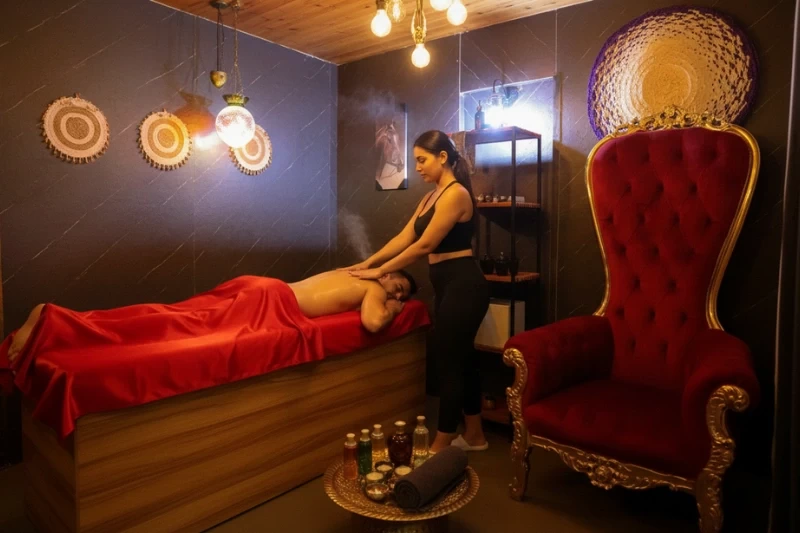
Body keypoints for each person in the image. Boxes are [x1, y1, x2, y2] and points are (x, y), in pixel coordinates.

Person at [344, 130, 490, 454]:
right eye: (415, 161)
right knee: (462, 358)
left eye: (422, 160)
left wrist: (380, 271)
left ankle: (442, 441)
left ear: (442, 157)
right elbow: (404, 237)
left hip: (464, 284)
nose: (418, 167)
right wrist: (368, 262)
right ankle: (475, 435)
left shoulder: (456, 194)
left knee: (449, 362)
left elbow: (424, 245)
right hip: (448, 285)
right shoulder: (430, 197)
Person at [7, 269, 418, 364]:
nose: (396, 294)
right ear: (387, 276)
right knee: (175, 325)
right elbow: (373, 323)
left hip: (261, 285)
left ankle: (61, 321)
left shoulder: (355, 271)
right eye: (398, 286)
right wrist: (395, 308)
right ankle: (55, 320)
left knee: (175, 315)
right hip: (270, 302)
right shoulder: (374, 288)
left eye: (401, 295)